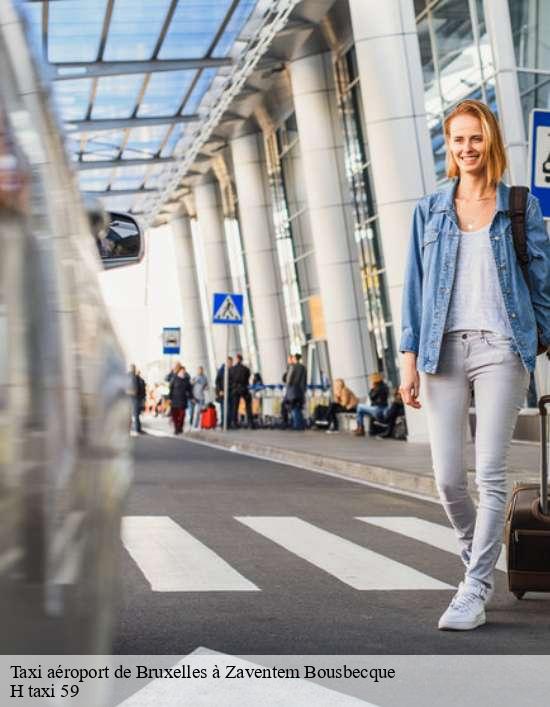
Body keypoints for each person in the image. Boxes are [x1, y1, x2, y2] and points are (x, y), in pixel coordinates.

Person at [400, 99, 550, 631]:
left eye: (475, 138)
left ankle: (475, 588)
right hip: (443, 350)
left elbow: (542, 284)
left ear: (491, 142)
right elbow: (415, 288)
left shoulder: (519, 205)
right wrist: (409, 361)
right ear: (449, 146)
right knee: (446, 479)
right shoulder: (430, 208)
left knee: (490, 473)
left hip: (501, 350)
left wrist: (536, 342)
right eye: (457, 139)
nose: (466, 148)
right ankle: (476, 561)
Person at [231, 354, 254, 429]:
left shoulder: (232, 369)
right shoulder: (246, 369)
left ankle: (234, 422)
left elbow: (231, 379)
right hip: (244, 388)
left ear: (237, 359)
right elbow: (248, 377)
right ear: (241, 359)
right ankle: (250, 422)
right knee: (248, 405)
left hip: (236, 389)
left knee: (235, 406)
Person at [169, 363, 192, 435]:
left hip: (183, 400)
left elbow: (189, 389)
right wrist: (169, 398)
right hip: (174, 400)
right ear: (179, 371)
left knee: (182, 416)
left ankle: (180, 427)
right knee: (175, 416)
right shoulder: (174, 378)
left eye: (184, 371)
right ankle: (176, 428)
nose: (183, 372)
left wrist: (191, 397)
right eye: (182, 371)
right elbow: (170, 389)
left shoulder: (186, 380)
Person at [286, 353, 307, 430]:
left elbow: (289, 379)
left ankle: (297, 425)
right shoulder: (303, 367)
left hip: (294, 389)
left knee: (294, 407)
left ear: (295, 359)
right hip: (301, 389)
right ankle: (301, 424)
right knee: (298, 407)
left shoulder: (293, 367)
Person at [215, 356, 234, 428]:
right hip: (223, 392)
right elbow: (217, 382)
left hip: (230, 392)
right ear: (227, 362)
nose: (231, 364)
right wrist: (220, 390)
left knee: (230, 409)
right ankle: (224, 424)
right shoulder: (222, 370)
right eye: (230, 363)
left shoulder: (231, 369)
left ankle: (228, 424)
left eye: (231, 363)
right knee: (224, 408)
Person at [128, 364, 146, 434]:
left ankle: (132, 429)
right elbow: (137, 389)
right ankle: (137, 429)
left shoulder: (127, 377)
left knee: (131, 415)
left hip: (130, 398)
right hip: (134, 398)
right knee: (135, 415)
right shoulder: (134, 377)